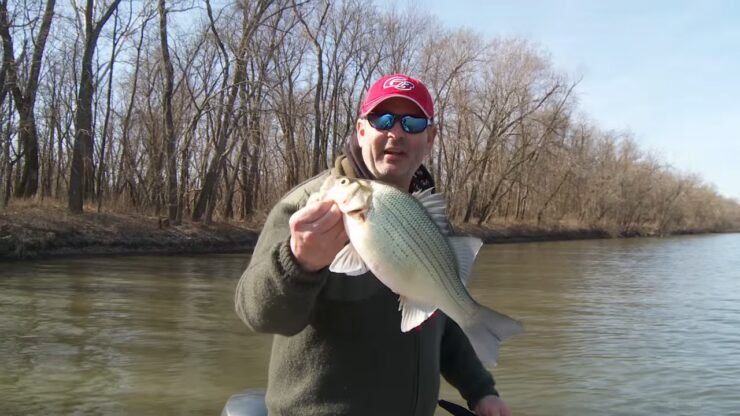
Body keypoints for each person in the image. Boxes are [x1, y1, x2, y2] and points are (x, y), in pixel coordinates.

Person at [235, 73, 512, 416]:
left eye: (412, 122)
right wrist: (299, 262)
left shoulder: (429, 223)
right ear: (362, 129)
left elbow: (441, 318)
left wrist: (480, 391)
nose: (396, 132)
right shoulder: (310, 207)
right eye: (383, 119)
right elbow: (255, 313)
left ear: (430, 137)